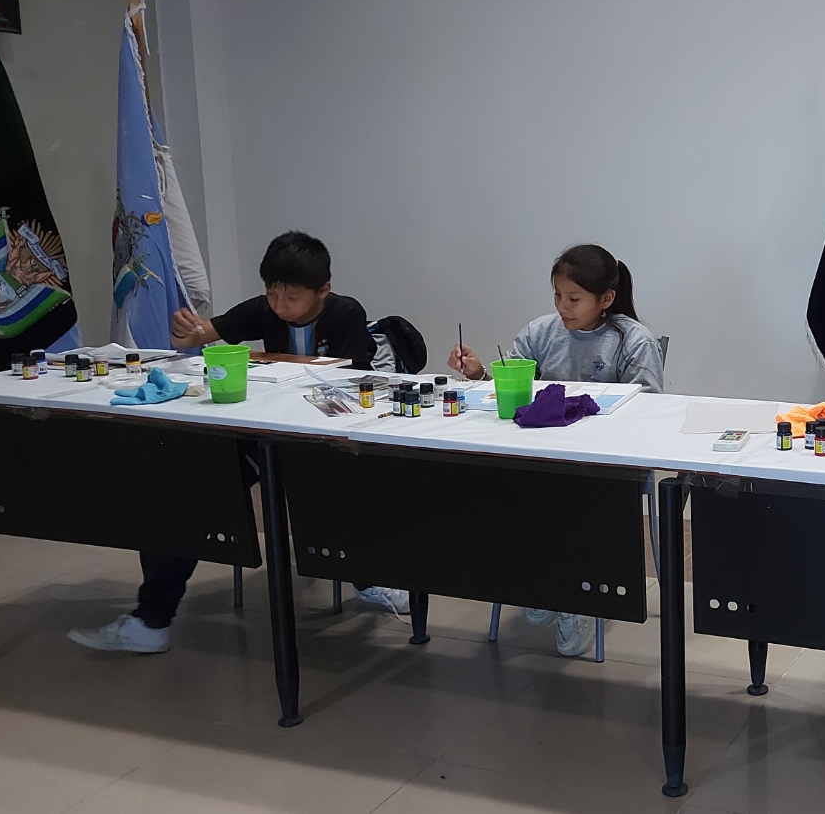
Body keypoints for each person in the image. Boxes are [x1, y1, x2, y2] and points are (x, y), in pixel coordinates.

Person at [67, 232, 410, 654]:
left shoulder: (345, 313)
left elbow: (346, 378)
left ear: (323, 290)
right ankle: (150, 621)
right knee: (179, 490)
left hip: (326, 443)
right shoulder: (262, 310)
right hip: (264, 435)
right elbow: (205, 334)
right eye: (272, 294)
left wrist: (267, 364)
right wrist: (190, 333)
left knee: (339, 495)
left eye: (292, 297)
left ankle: (371, 578)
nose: (279, 306)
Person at [448, 243, 664, 656]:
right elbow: (511, 390)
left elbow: (649, 411)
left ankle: (573, 600)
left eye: (574, 299)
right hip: (541, 457)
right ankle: (541, 583)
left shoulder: (633, 341)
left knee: (571, 498)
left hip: (603, 465)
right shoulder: (540, 333)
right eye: (558, 296)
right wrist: (479, 375)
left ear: (606, 299)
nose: (563, 307)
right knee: (500, 488)